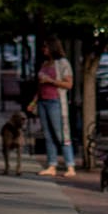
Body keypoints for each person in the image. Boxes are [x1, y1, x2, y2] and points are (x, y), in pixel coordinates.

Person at [36, 41, 77, 178]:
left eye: (46, 47)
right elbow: (40, 85)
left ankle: (70, 165)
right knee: (48, 135)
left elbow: (69, 84)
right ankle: (51, 164)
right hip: (43, 101)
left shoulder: (63, 63)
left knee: (61, 134)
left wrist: (51, 81)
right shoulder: (45, 63)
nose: (44, 50)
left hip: (56, 101)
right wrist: (34, 101)